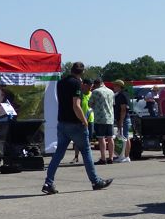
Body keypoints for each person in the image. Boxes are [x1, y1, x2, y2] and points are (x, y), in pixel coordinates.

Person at [41, 62, 112, 195]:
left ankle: (48, 182)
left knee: (58, 154)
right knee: (86, 151)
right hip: (75, 124)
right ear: (82, 72)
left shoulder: (61, 82)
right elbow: (76, 105)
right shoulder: (76, 84)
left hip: (62, 122)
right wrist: (84, 121)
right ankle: (95, 181)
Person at [89, 78, 115, 165]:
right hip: (110, 117)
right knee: (110, 138)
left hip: (100, 118)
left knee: (101, 138)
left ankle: (103, 158)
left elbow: (90, 103)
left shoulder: (96, 91)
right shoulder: (111, 91)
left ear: (95, 84)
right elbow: (113, 103)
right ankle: (111, 157)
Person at [71, 78, 94, 164]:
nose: (90, 89)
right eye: (89, 87)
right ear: (84, 85)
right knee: (77, 140)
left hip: (90, 120)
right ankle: (76, 156)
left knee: (88, 140)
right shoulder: (80, 95)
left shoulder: (92, 94)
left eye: (91, 87)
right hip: (80, 119)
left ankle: (88, 158)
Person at [112, 80, 131, 163]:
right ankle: (121, 155)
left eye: (115, 85)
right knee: (121, 138)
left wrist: (121, 121)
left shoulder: (123, 95)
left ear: (119, 86)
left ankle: (126, 156)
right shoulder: (119, 95)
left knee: (125, 137)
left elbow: (123, 109)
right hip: (120, 119)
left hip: (124, 119)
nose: (114, 87)